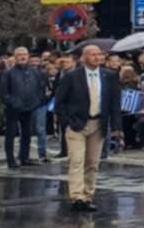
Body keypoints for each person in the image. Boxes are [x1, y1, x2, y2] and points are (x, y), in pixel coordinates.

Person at [52, 42, 122, 213]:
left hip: (98, 123)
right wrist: (67, 121)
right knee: (77, 160)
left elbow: (114, 103)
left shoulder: (109, 76)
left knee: (92, 163)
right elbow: (59, 102)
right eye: (92, 54)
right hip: (77, 124)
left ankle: (88, 195)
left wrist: (116, 126)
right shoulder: (72, 77)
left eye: (99, 54)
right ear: (83, 58)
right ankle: (77, 197)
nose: (97, 57)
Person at [0, 47, 48, 168]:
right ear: (15, 57)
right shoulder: (8, 73)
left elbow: (40, 88)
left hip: (29, 107)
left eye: (25, 54)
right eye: (19, 54)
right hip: (13, 108)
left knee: (27, 133)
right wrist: (12, 103)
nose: (22, 56)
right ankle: (10, 160)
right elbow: (3, 92)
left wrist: (37, 101)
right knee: (11, 134)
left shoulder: (35, 72)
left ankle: (25, 157)